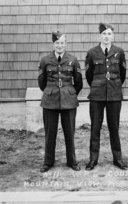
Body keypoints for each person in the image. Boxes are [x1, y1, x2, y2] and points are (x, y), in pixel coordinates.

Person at [85, 22, 128, 170]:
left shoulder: (119, 52)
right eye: (104, 34)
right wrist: (98, 85)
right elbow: (89, 75)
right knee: (95, 128)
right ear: (100, 36)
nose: (106, 37)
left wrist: (114, 85)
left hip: (114, 94)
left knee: (114, 127)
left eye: (109, 34)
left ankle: (118, 159)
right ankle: (93, 159)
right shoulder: (92, 53)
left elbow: (122, 75)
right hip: (97, 95)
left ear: (113, 36)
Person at [38, 31, 83, 172]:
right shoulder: (45, 60)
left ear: (66, 44)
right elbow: (42, 82)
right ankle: (48, 162)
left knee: (69, 132)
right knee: (50, 133)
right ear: (53, 44)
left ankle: (72, 161)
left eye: (62, 43)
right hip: (50, 100)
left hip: (68, 101)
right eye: (57, 43)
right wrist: (50, 91)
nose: (59, 45)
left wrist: (70, 92)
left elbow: (79, 82)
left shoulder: (73, 60)